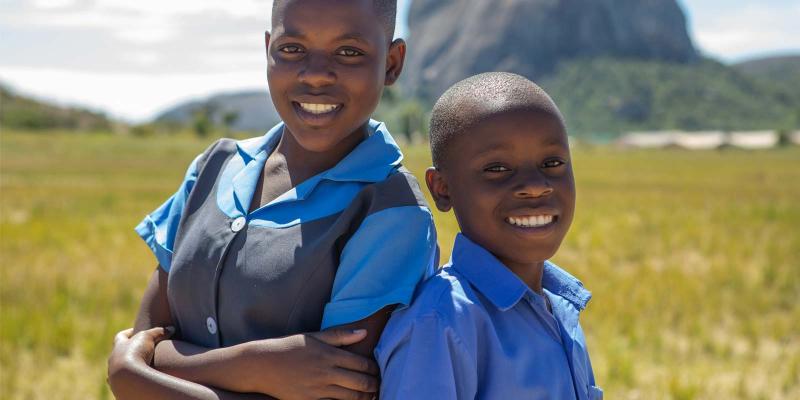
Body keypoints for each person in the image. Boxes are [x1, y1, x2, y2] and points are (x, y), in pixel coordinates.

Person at [107, 1, 438, 399]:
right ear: (268, 49)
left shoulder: (392, 213)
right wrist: (256, 367)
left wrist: (139, 376)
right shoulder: (214, 167)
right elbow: (145, 337)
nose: (315, 74)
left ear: (392, 63)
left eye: (349, 51)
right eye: (292, 48)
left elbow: (138, 362)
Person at [376, 72, 603, 400]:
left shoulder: (559, 307)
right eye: (497, 169)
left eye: (552, 162)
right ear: (442, 189)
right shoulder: (440, 325)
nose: (536, 185)